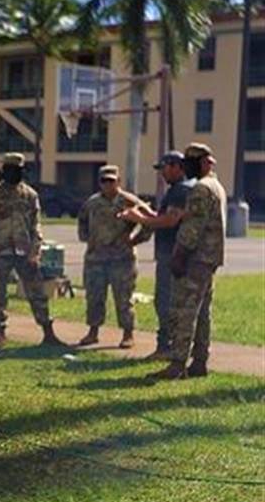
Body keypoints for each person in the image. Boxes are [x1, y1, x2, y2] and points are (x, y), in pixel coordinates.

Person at [153, 143, 227, 380]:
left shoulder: (200, 189)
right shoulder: (217, 186)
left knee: (184, 311)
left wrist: (178, 255)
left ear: (203, 163)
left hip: (195, 259)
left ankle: (177, 364)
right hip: (210, 259)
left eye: (190, 162)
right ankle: (200, 362)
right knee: (203, 311)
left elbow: (192, 229)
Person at [0, 152, 63, 347]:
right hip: (0, 251)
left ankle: (47, 331)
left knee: (37, 291)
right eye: (10, 170)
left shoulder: (30, 195)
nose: (13, 173)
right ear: (4, 171)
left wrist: (35, 251)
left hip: (25, 252)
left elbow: (36, 226)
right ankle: (0, 332)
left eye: (17, 170)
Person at [118, 151, 195, 359]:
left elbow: (169, 222)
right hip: (176, 252)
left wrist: (138, 218)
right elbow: (166, 217)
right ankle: (173, 346)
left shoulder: (180, 190)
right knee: (172, 301)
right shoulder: (181, 189)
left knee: (166, 301)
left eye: (164, 168)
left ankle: (166, 347)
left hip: (172, 254)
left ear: (177, 167)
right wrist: (145, 213)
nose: (162, 173)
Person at [75, 165, 143, 348]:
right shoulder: (92, 202)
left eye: (111, 181)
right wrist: (86, 237)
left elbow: (148, 221)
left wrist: (135, 240)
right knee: (94, 297)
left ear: (118, 181)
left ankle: (128, 334)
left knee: (123, 298)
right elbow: (82, 220)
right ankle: (93, 332)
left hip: (122, 259)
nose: (107, 184)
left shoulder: (128, 201)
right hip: (96, 259)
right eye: (104, 181)